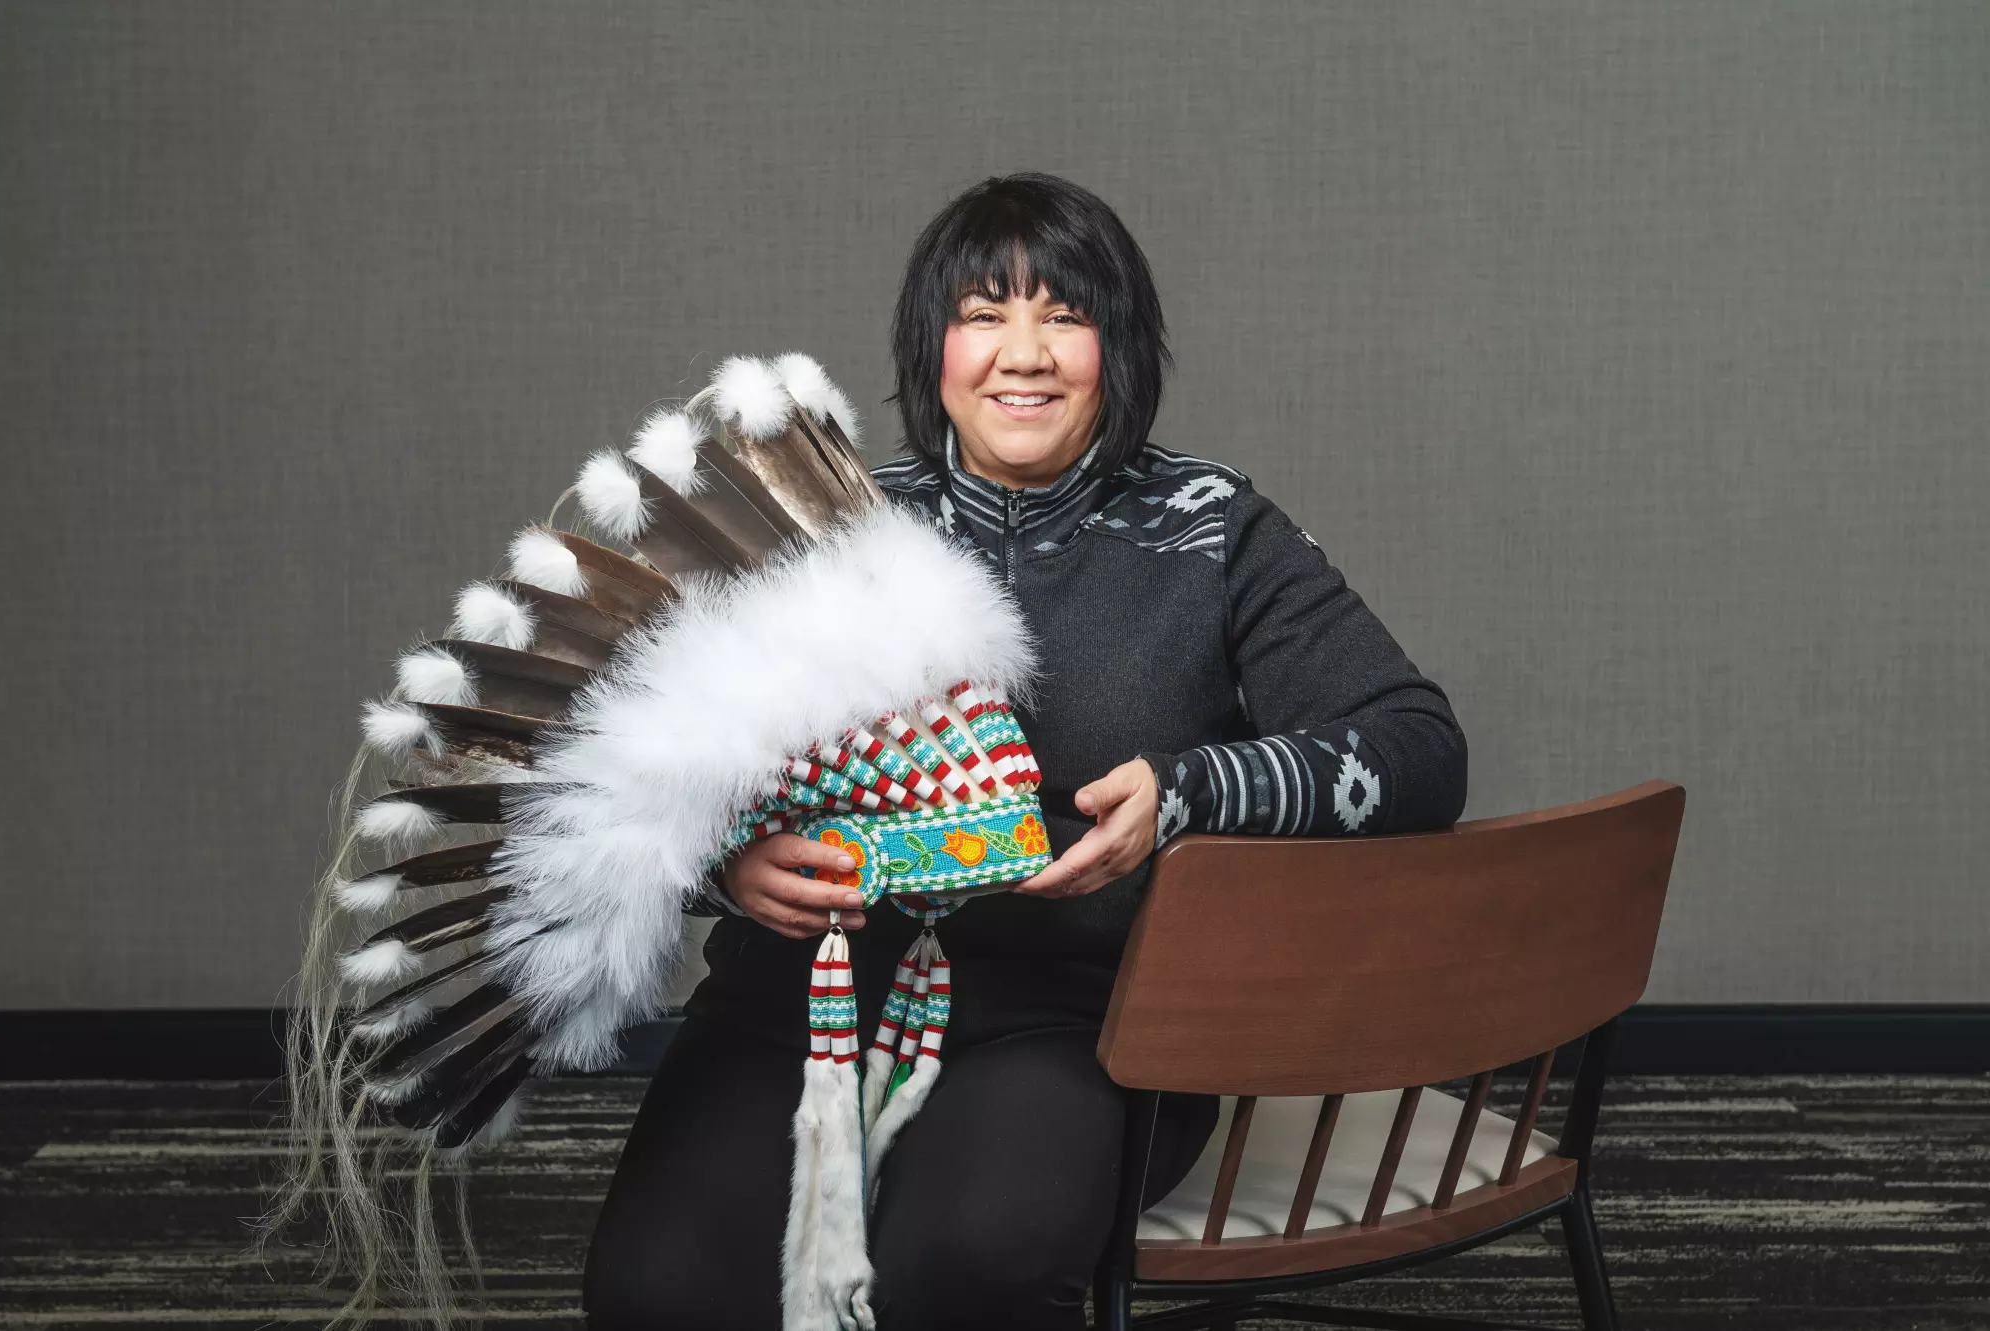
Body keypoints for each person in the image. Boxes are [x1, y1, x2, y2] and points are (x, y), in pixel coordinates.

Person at [580, 172, 1469, 1331]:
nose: (1024, 353)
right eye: (982, 313)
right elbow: (645, 782)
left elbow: (1417, 749)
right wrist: (727, 864)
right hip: (799, 1005)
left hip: (1082, 1021)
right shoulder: (824, 530)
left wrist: (1188, 792)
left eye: (1065, 315)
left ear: (1117, 347)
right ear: (932, 347)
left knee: (964, 1271)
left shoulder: (1210, 525)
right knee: (654, 1291)